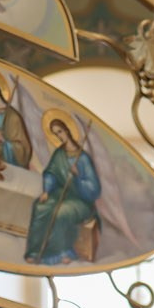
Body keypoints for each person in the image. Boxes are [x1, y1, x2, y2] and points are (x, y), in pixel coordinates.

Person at [27, 112, 101, 265]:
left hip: (81, 201)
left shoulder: (83, 158)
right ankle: (35, 251)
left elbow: (94, 189)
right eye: (56, 134)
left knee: (61, 213)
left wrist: (79, 176)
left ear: (67, 130)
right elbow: (51, 173)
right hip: (61, 194)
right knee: (40, 206)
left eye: (60, 132)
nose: (59, 136)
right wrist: (47, 191)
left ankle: (62, 252)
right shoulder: (59, 153)